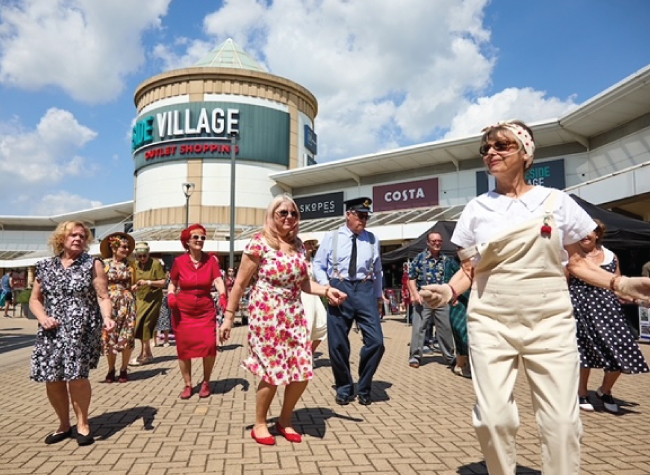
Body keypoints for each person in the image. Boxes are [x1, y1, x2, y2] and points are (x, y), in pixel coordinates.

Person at [420, 120, 650, 475]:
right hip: (491, 320)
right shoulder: (476, 209)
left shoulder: (557, 202)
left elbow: (577, 262)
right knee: (493, 420)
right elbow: (469, 271)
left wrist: (619, 285)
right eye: (486, 148)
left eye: (502, 146)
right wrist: (448, 290)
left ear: (526, 152)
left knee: (561, 423)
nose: (491, 153)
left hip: (550, 321)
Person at [220, 194, 346, 445]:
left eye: (294, 213)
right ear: (272, 216)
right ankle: (259, 423)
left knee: (302, 372)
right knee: (272, 372)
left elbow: (304, 283)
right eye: (283, 213)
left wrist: (326, 290)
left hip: (294, 315)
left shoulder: (299, 245)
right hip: (266, 315)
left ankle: (284, 420)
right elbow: (240, 285)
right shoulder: (259, 244)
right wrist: (228, 317)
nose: (289, 217)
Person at [29, 221, 115, 446]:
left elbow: (104, 296)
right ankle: (63, 425)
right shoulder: (45, 266)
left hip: (81, 330)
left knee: (77, 377)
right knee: (53, 378)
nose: (78, 238)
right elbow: (35, 300)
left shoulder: (92, 264)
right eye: (72, 235)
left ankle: (83, 423)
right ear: (61, 239)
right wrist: (42, 318)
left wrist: (108, 317)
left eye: (82, 236)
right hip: (51, 331)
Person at [569, 219, 649, 413]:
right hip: (578, 308)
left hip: (607, 310)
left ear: (597, 234)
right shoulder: (572, 257)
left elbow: (617, 284)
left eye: (589, 231)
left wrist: (636, 297)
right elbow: (564, 283)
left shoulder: (611, 256)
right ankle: (581, 393)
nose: (585, 235)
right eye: (580, 232)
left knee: (624, 348)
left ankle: (605, 391)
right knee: (583, 353)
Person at [313, 197, 385, 407]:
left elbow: (378, 271)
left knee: (377, 342)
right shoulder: (332, 237)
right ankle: (344, 387)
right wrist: (327, 288)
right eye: (360, 216)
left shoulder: (373, 239)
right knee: (337, 344)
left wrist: (378, 296)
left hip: (365, 289)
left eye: (366, 216)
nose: (364, 220)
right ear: (349, 214)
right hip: (339, 287)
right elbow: (318, 265)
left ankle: (364, 386)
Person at [168, 224, 227, 400]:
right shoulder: (179, 262)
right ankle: (188, 384)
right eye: (196, 237)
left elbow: (217, 280)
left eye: (202, 237)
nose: (200, 240)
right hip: (183, 311)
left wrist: (223, 295)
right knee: (184, 349)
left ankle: (206, 382)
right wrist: (171, 295)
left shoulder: (210, 261)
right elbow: (173, 283)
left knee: (209, 346)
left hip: (205, 309)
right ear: (187, 241)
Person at [407, 231, 458, 368]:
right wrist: (415, 294)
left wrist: (453, 296)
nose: (437, 243)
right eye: (434, 241)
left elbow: (455, 278)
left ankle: (450, 357)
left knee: (445, 328)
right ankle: (415, 357)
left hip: (442, 299)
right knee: (419, 328)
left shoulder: (447, 260)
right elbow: (411, 278)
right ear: (428, 242)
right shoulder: (419, 258)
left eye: (439, 241)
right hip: (424, 297)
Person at [99, 232, 137, 383]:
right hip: (110, 303)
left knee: (127, 336)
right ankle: (110, 369)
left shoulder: (130, 265)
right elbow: (99, 285)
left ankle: (123, 368)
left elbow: (134, 281)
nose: (127, 250)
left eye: (128, 247)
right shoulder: (104, 264)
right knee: (110, 337)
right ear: (114, 247)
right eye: (123, 247)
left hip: (127, 302)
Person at [130, 242, 166, 365]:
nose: (142, 259)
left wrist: (149, 282)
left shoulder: (155, 264)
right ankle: (148, 353)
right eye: (139, 256)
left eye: (144, 256)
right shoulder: (135, 265)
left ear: (148, 254)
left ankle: (144, 354)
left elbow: (163, 282)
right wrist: (135, 286)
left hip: (153, 299)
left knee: (145, 325)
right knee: (139, 325)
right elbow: (135, 281)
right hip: (140, 299)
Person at [300, 233, 328, 354]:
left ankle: (309, 352)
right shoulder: (298, 261)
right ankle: (301, 358)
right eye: (309, 243)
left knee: (324, 325)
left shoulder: (314, 262)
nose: (311, 246)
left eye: (312, 243)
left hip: (314, 297)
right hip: (302, 297)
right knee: (306, 327)